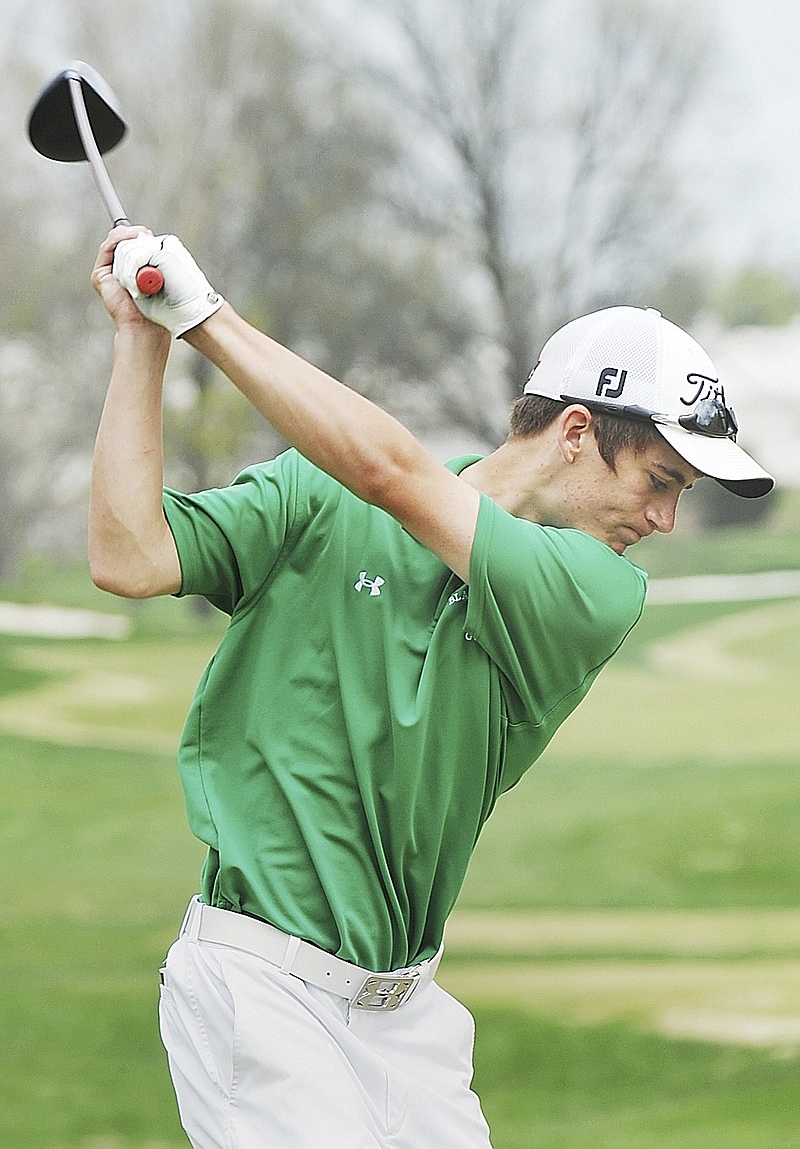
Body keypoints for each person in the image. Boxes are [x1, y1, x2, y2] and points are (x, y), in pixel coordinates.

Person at [90, 226, 773, 1149]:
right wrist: (144, 339)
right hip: (261, 988)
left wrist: (205, 319)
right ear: (577, 431)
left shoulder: (598, 591)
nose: (665, 517)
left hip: (408, 1018)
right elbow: (130, 556)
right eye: (660, 479)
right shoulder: (315, 497)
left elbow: (390, 474)